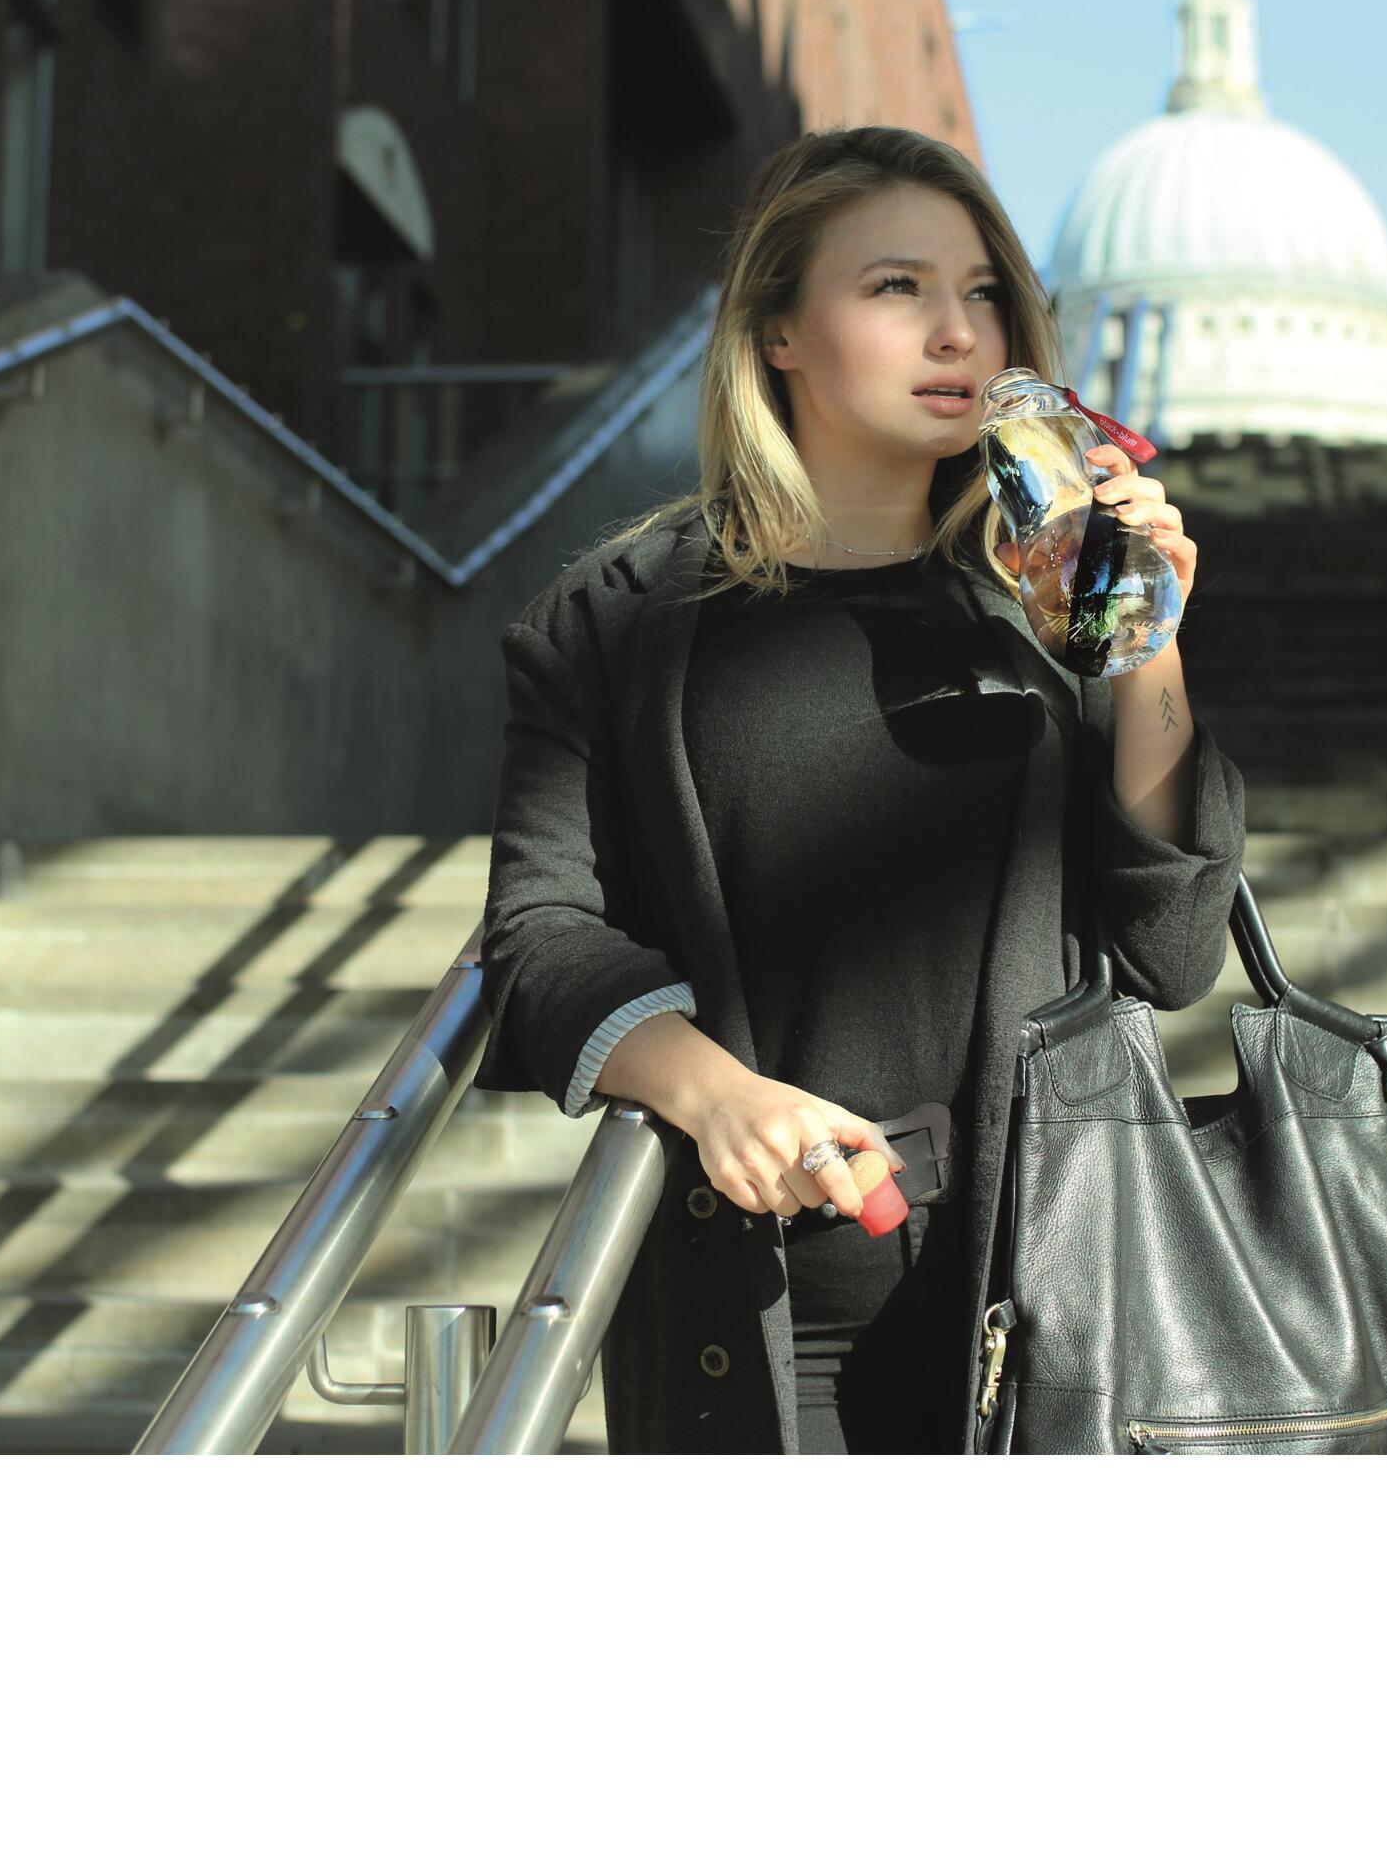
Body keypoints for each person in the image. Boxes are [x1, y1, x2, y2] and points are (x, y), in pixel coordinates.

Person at [476, 126, 1247, 1453]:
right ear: (776, 331)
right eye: (898, 287)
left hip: (1049, 1287)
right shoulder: (613, 621)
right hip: (745, 1305)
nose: (959, 332)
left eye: (984, 293)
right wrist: (715, 1095)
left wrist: (1145, 637)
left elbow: (1174, 951)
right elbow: (539, 930)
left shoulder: (1049, 603)